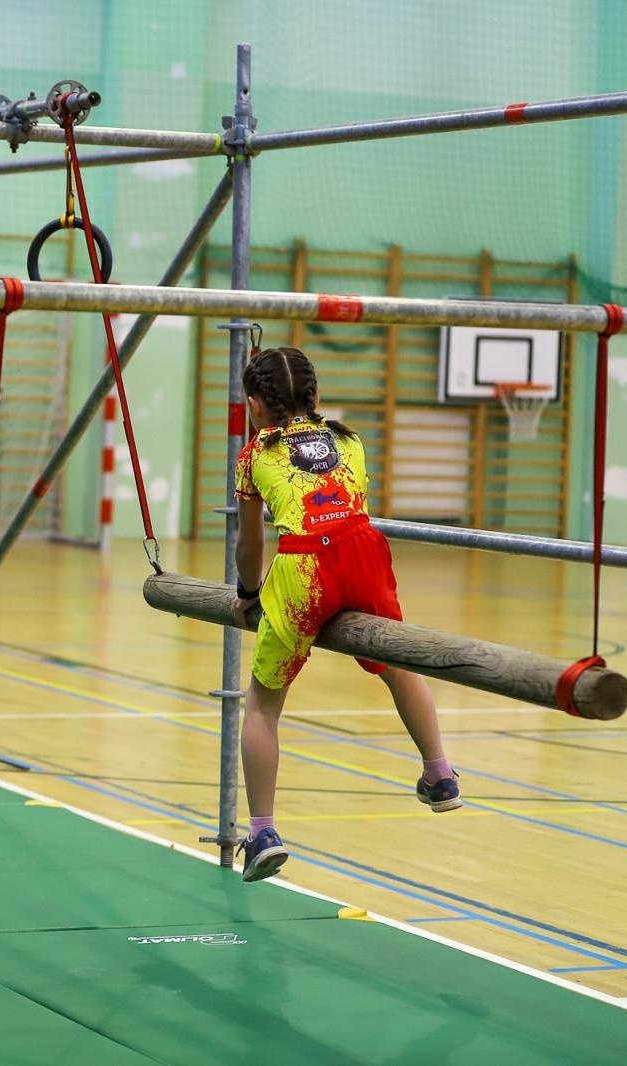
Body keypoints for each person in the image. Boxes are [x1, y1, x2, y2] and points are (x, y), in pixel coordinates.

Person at [231, 346, 460, 883]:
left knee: (262, 706)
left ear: (255, 407)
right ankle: (440, 772)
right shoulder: (350, 439)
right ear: (317, 396)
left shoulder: (253, 454)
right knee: (399, 664)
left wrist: (247, 591)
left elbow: (250, 541)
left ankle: (262, 830)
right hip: (364, 551)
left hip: (304, 566)